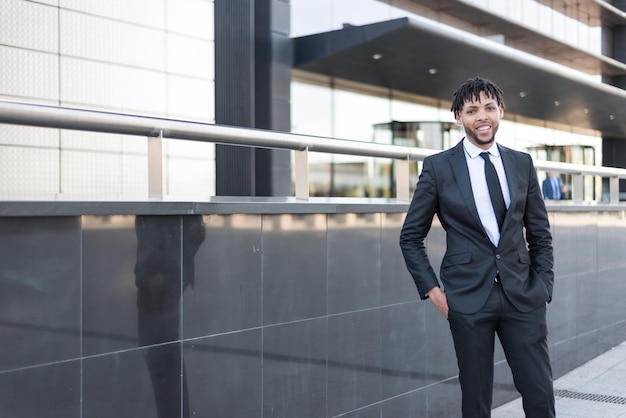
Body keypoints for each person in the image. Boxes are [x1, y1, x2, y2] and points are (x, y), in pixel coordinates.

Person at [399, 77, 555, 417]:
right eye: (472, 110)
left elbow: (540, 233)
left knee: (540, 392)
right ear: (459, 117)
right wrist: (433, 291)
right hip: (468, 299)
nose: (482, 117)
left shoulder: (522, 163)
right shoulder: (439, 168)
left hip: (523, 296)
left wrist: (544, 286)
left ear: (500, 111)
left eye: (488, 108)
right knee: (476, 399)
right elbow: (410, 236)